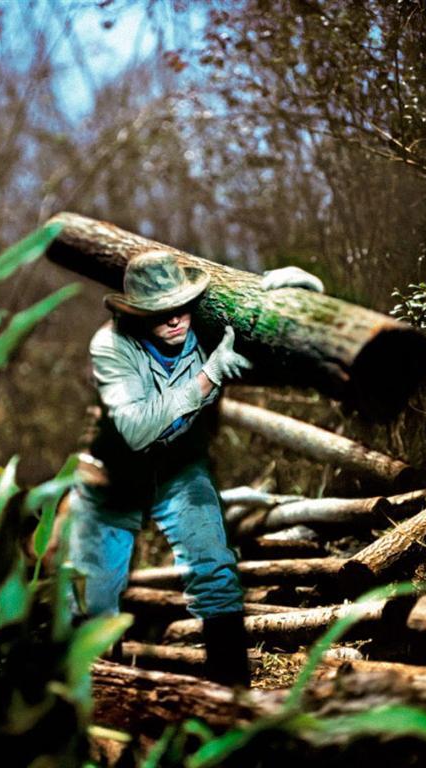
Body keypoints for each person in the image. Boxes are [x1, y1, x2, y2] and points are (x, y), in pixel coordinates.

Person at [64, 249, 323, 687]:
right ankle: (90, 701)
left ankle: (231, 698)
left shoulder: (207, 327)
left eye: (180, 307)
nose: (174, 320)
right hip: (114, 476)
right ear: (137, 312)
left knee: (215, 570)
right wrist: (207, 376)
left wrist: (303, 297)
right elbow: (137, 427)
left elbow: (293, 353)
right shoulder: (110, 344)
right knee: (94, 597)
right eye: (160, 311)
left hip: (180, 469)